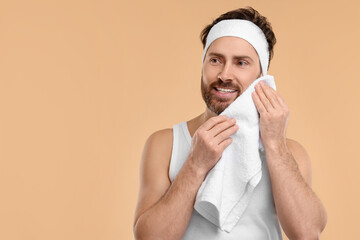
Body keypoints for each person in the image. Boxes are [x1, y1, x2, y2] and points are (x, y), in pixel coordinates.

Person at [133, 7, 327, 240]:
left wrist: (275, 145)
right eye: (215, 60)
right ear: (203, 65)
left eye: (241, 63)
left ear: (261, 76)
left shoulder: (291, 153)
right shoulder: (166, 144)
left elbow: (307, 233)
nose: (225, 74)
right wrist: (195, 165)